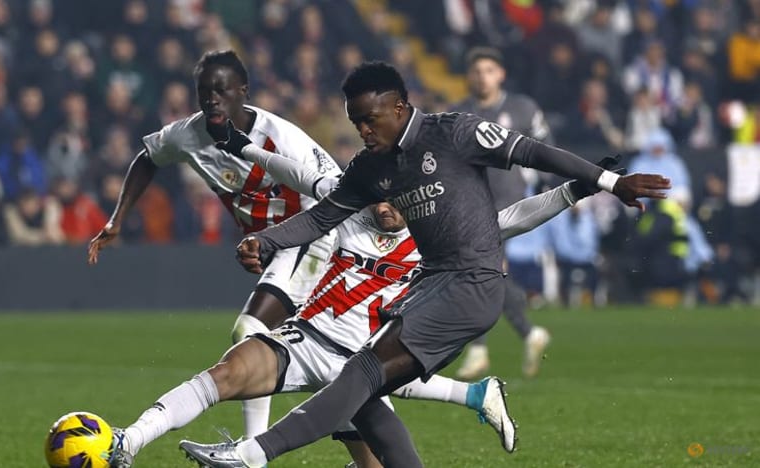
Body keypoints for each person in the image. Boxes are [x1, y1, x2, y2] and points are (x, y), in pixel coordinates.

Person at [180, 61, 670, 468]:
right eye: (356, 122)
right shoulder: (371, 167)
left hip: (472, 285)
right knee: (364, 399)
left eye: (370, 119)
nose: (363, 130)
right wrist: (266, 240)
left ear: (399, 107)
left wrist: (605, 182)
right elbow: (322, 215)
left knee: (359, 375)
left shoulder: (455, 133)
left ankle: (251, 455)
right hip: (431, 286)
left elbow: (531, 151)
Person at [111, 121, 608, 468]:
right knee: (224, 372)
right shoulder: (348, 200)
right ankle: (128, 442)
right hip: (306, 339)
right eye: (380, 196)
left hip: (363, 372)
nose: (386, 207)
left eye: (396, 198)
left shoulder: (443, 233)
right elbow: (294, 171)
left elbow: (515, 218)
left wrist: (574, 191)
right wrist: (246, 149)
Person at [86, 50, 341, 442]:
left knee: (253, 329)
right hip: (273, 247)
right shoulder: (188, 134)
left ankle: (251, 452)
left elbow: (334, 194)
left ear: (243, 91)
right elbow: (148, 157)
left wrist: (277, 241)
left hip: (314, 235)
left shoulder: (281, 138)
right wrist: (117, 219)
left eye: (222, 91)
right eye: (204, 91)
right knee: (338, 355)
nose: (212, 99)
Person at [450, 46, 553, 379]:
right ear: (469, 76)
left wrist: (549, 186)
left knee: (474, 269)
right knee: (484, 272)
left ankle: (479, 349)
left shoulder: (522, 108)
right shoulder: (458, 113)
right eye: (477, 71)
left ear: (501, 74)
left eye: (489, 70)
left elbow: (546, 148)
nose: (483, 77)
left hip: (507, 203)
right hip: (469, 203)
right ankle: (528, 332)